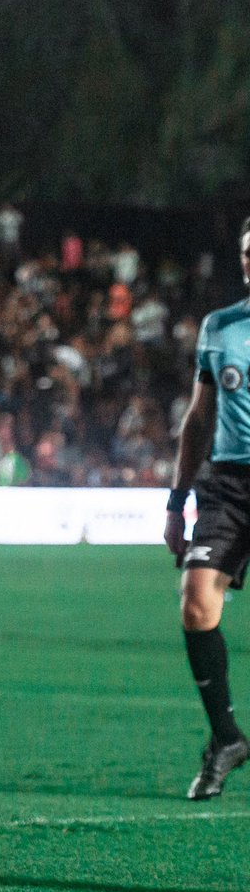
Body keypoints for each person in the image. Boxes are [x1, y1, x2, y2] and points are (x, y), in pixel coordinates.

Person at [164, 217, 250, 800]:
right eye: (248, 253)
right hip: (225, 484)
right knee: (197, 605)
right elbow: (198, 417)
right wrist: (176, 500)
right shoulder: (220, 327)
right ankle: (226, 738)